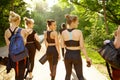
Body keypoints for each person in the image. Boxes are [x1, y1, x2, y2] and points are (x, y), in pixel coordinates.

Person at [61, 14, 92, 80]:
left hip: (67, 55)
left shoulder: (63, 32)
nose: (78, 23)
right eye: (77, 21)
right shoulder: (79, 32)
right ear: (73, 22)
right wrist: (87, 58)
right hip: (76, 55)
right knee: (80, 76)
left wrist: (69, 45)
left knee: (67, 75)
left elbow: (62, 45)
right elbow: (82, 46)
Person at [4, 11, 28, 80]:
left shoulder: (6, 31)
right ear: (17, 20)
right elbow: (24, 43)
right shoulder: (22, 30)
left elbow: (8, 45)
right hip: (21, 56)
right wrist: (26, 37)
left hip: (13, 57)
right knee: (20, 74)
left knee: (16, 73)